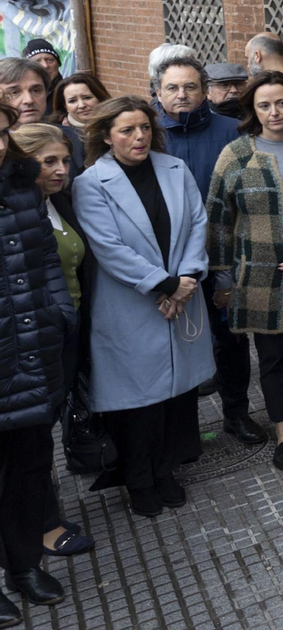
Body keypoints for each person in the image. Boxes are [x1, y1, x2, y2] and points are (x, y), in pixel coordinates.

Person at [74, 96, 213, 518]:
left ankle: (166, 469)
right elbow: (108, 248)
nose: (139, 137)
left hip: (181, 297)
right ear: (105, 137)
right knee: (138, 404)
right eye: (126, 131)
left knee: (175, 396)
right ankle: (138, 480)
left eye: (145, 129)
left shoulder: (175, 169)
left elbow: (197, 222)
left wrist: (185, 281)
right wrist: (165, 286)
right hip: (130, 305)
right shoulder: (90, 183)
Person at [206, 72, 283, 470]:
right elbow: (219, 222)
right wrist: (224, 280)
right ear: (253, 109)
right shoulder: (236, 155)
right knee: (273, 357)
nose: (274, 111)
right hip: (259, 278)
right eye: (264, 105)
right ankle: (282, 431)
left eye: (281, 102)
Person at [152, 54, 260, 445]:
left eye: (190, 87)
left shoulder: (233, 131)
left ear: (205, 91)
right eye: (172, 88)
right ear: (158, 92)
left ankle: (237, 414)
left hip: (223, 256)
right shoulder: (146, 134)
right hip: (167, 262)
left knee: (231, 340)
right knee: (173, 342)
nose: (182, 95)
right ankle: (181, 433)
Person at [0, 107, 75, 623]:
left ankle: (24, 566)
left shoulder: (22, 187)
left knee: (29, 470)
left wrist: (59, 312)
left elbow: (47, 259)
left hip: (31, 353)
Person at [11, 124, 97, 561]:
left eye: (65, 159)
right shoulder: (17, 210)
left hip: (64, 329)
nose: (61, 169)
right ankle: (44, 526)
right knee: (31, 437)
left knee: (43, 432)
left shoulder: (57, 201)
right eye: (48, 162)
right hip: (33, 337)